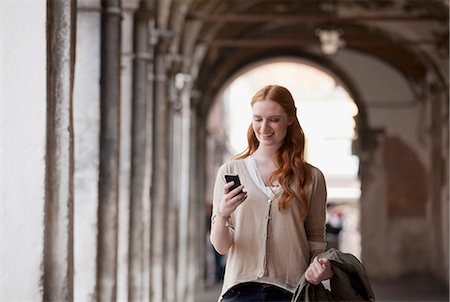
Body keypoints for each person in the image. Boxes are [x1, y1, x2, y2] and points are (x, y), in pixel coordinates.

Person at [210, 85, 333, 302]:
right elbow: (220, 246)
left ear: (290, 118)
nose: (264, 127)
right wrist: (222, 214)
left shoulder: (312, 177)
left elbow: (315, 240)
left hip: (291, 292)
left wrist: (322, 268)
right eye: (258, 119)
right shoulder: (230, 171)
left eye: (274, 119)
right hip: (239, 292)